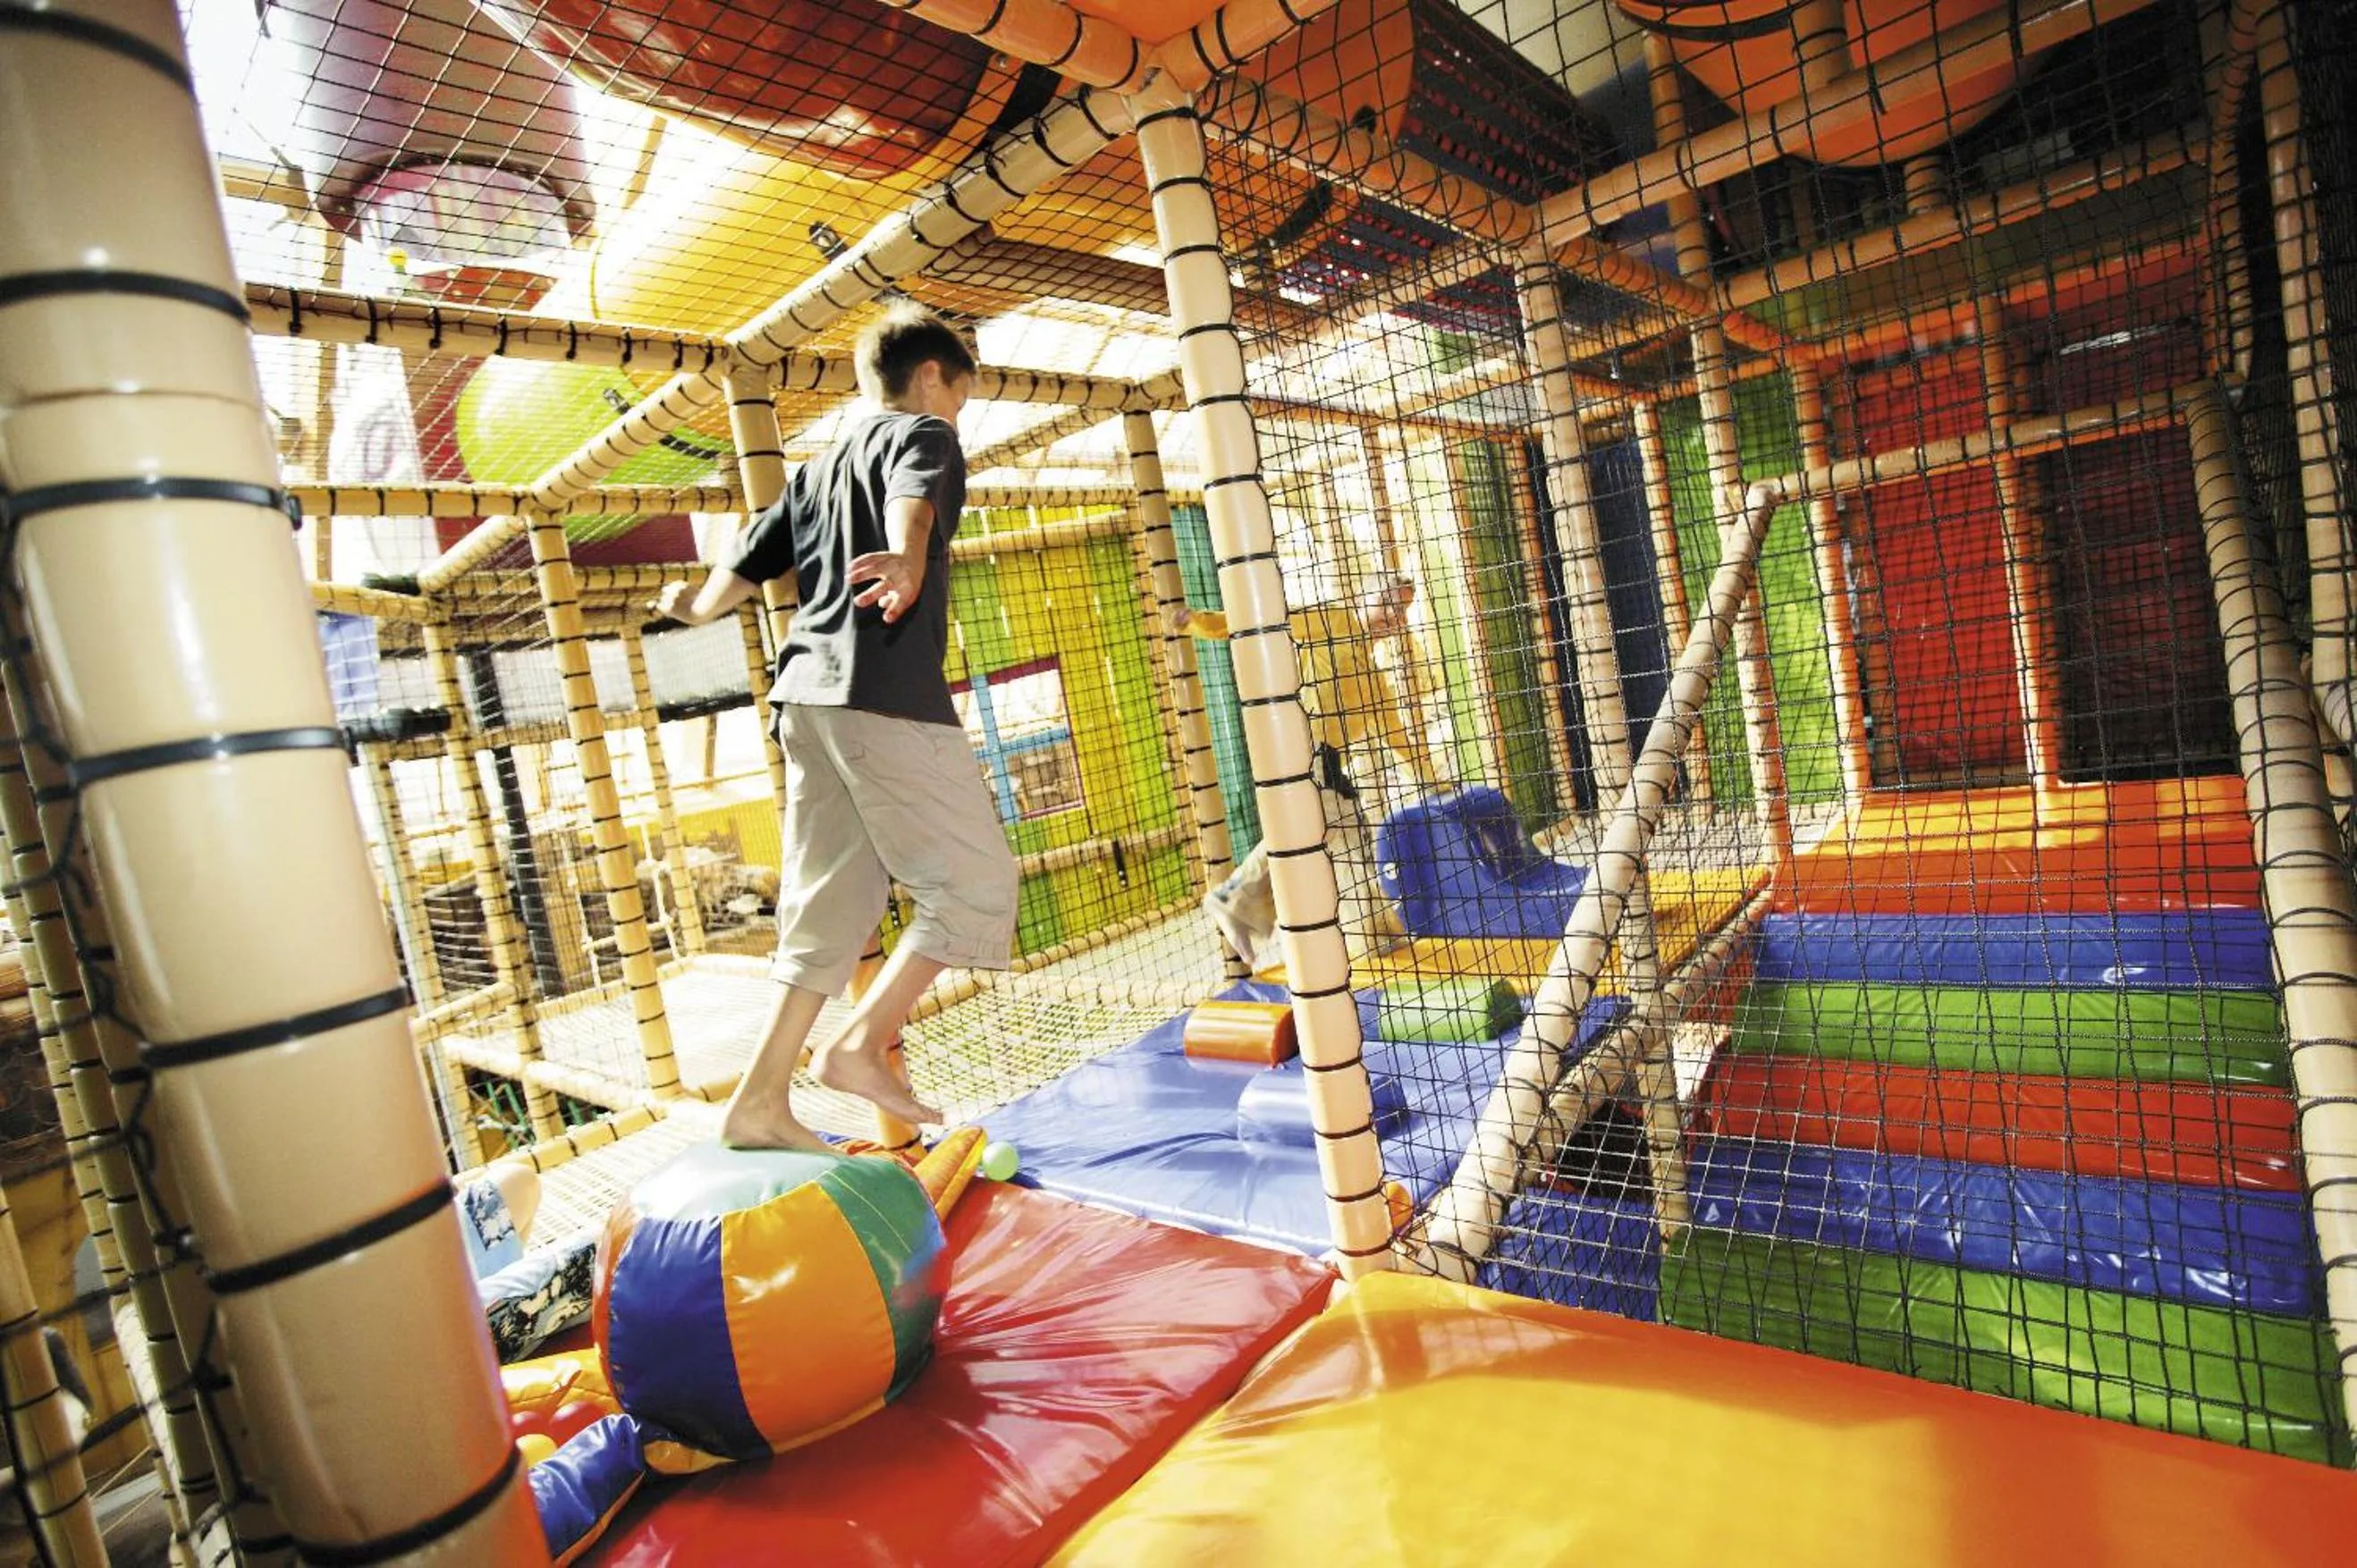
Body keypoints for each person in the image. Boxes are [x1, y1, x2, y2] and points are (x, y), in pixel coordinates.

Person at [654, 307, 1016, 1150]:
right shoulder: (922, 432)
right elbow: (914, 504)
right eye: (959, 397)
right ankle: (857, 1043)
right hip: (878, 694)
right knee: (977, 886)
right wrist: (906, 559)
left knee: (830, 909)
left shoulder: (815, 472)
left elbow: (749, 558)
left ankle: (758, 1102)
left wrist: (695, 608)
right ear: (932, 377)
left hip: (805, 706)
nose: (956, 415)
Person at [1170, 571, 1449, 969]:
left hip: (1328, 763)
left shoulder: (1369, 670)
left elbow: (1394, 730)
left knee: (1350, 835)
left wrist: (1433, 780)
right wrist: (1201, 621)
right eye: (1390, 603)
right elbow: (1258, 623)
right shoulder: (1329, 620)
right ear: (1365, 596)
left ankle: (1376, 933)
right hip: (1299, 751)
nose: (1396, 617)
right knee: (1313, 830)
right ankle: (1233, 901)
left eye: (1402, 610)